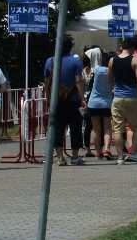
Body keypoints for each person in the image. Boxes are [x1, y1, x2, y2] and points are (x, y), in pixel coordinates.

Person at [43, 35, 86, 166]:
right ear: (70, 47)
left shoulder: (50, 61)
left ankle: (60, 157)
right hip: (73, 99)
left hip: (56, 100)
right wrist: (82, 97)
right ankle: (74, 156)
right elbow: (78, 81)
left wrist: (48, 98)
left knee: (57, 128)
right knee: (75, 128)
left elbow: (47, 82)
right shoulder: (76, 61)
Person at [109, 36, 137, 164]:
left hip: (117, 98)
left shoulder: (112, 60)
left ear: (121, 47)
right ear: (132, 48)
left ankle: (120, 157)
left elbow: (109, 79)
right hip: (132, 97)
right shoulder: (135, 61)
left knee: (118, 128)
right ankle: (133, 152)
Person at [86, 50, 113, 160]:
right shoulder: (111, 71)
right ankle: (106, 148)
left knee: (96, 130)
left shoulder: (96, 69)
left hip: (93, 103)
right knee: (107, 128)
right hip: (106, 103)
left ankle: (98, 153)